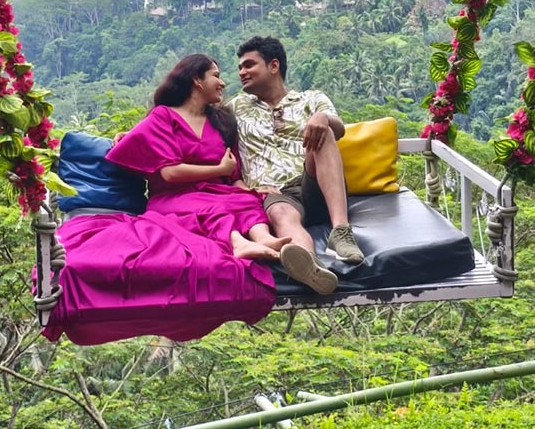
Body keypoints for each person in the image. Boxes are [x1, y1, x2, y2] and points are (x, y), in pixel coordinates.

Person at [107, 54, 290, 261]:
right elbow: (170, 173)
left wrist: (253, 191)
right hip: (173, 198)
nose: (222, 83)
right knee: (215, 208)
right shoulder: (164, 116)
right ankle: (238, 243)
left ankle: (264, 239)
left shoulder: (222, 122)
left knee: (246, 200)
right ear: (197, 79)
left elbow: (234, 176)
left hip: (216, 192)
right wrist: (219, 170)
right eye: (216, 76)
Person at [227, 36, 365, 296]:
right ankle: (312, 267)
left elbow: (339, 129)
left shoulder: (311, 99)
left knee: (324, 131)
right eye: (240, 67)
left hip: (316, 183)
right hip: (277, 194)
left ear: (274, 66)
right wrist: (239, 183)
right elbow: (203, 133)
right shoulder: (236, 108)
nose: (241, 72)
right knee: (280, 213)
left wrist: (322, 118)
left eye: (249, 65)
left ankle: (341, 231)